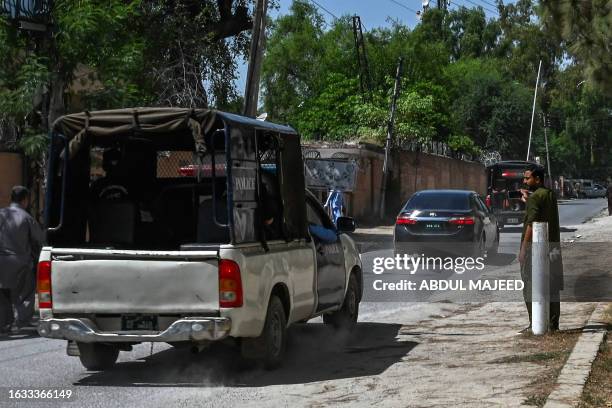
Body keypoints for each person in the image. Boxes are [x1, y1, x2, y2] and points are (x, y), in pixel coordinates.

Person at [518, 167, 563, 333]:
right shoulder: (549, 194)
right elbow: (540, 211)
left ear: (537, 179)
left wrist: (523, 249)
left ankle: (534, 324)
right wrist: (528, 201)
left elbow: (532, 223)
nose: (524, 181)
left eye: (527, 178)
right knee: (552, 284)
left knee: (529, 284)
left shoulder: (535, 197)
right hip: (552, 247)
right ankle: (553, 324)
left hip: (535, 249)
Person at [0, 186, 43, 334]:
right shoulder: (26, 218)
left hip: (1, 261)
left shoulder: (1, 214)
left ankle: (4, 323)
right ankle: (23, 321)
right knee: (25, 292)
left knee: (3, 293)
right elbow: (38, 239)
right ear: (25, 200)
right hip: (21, 261)